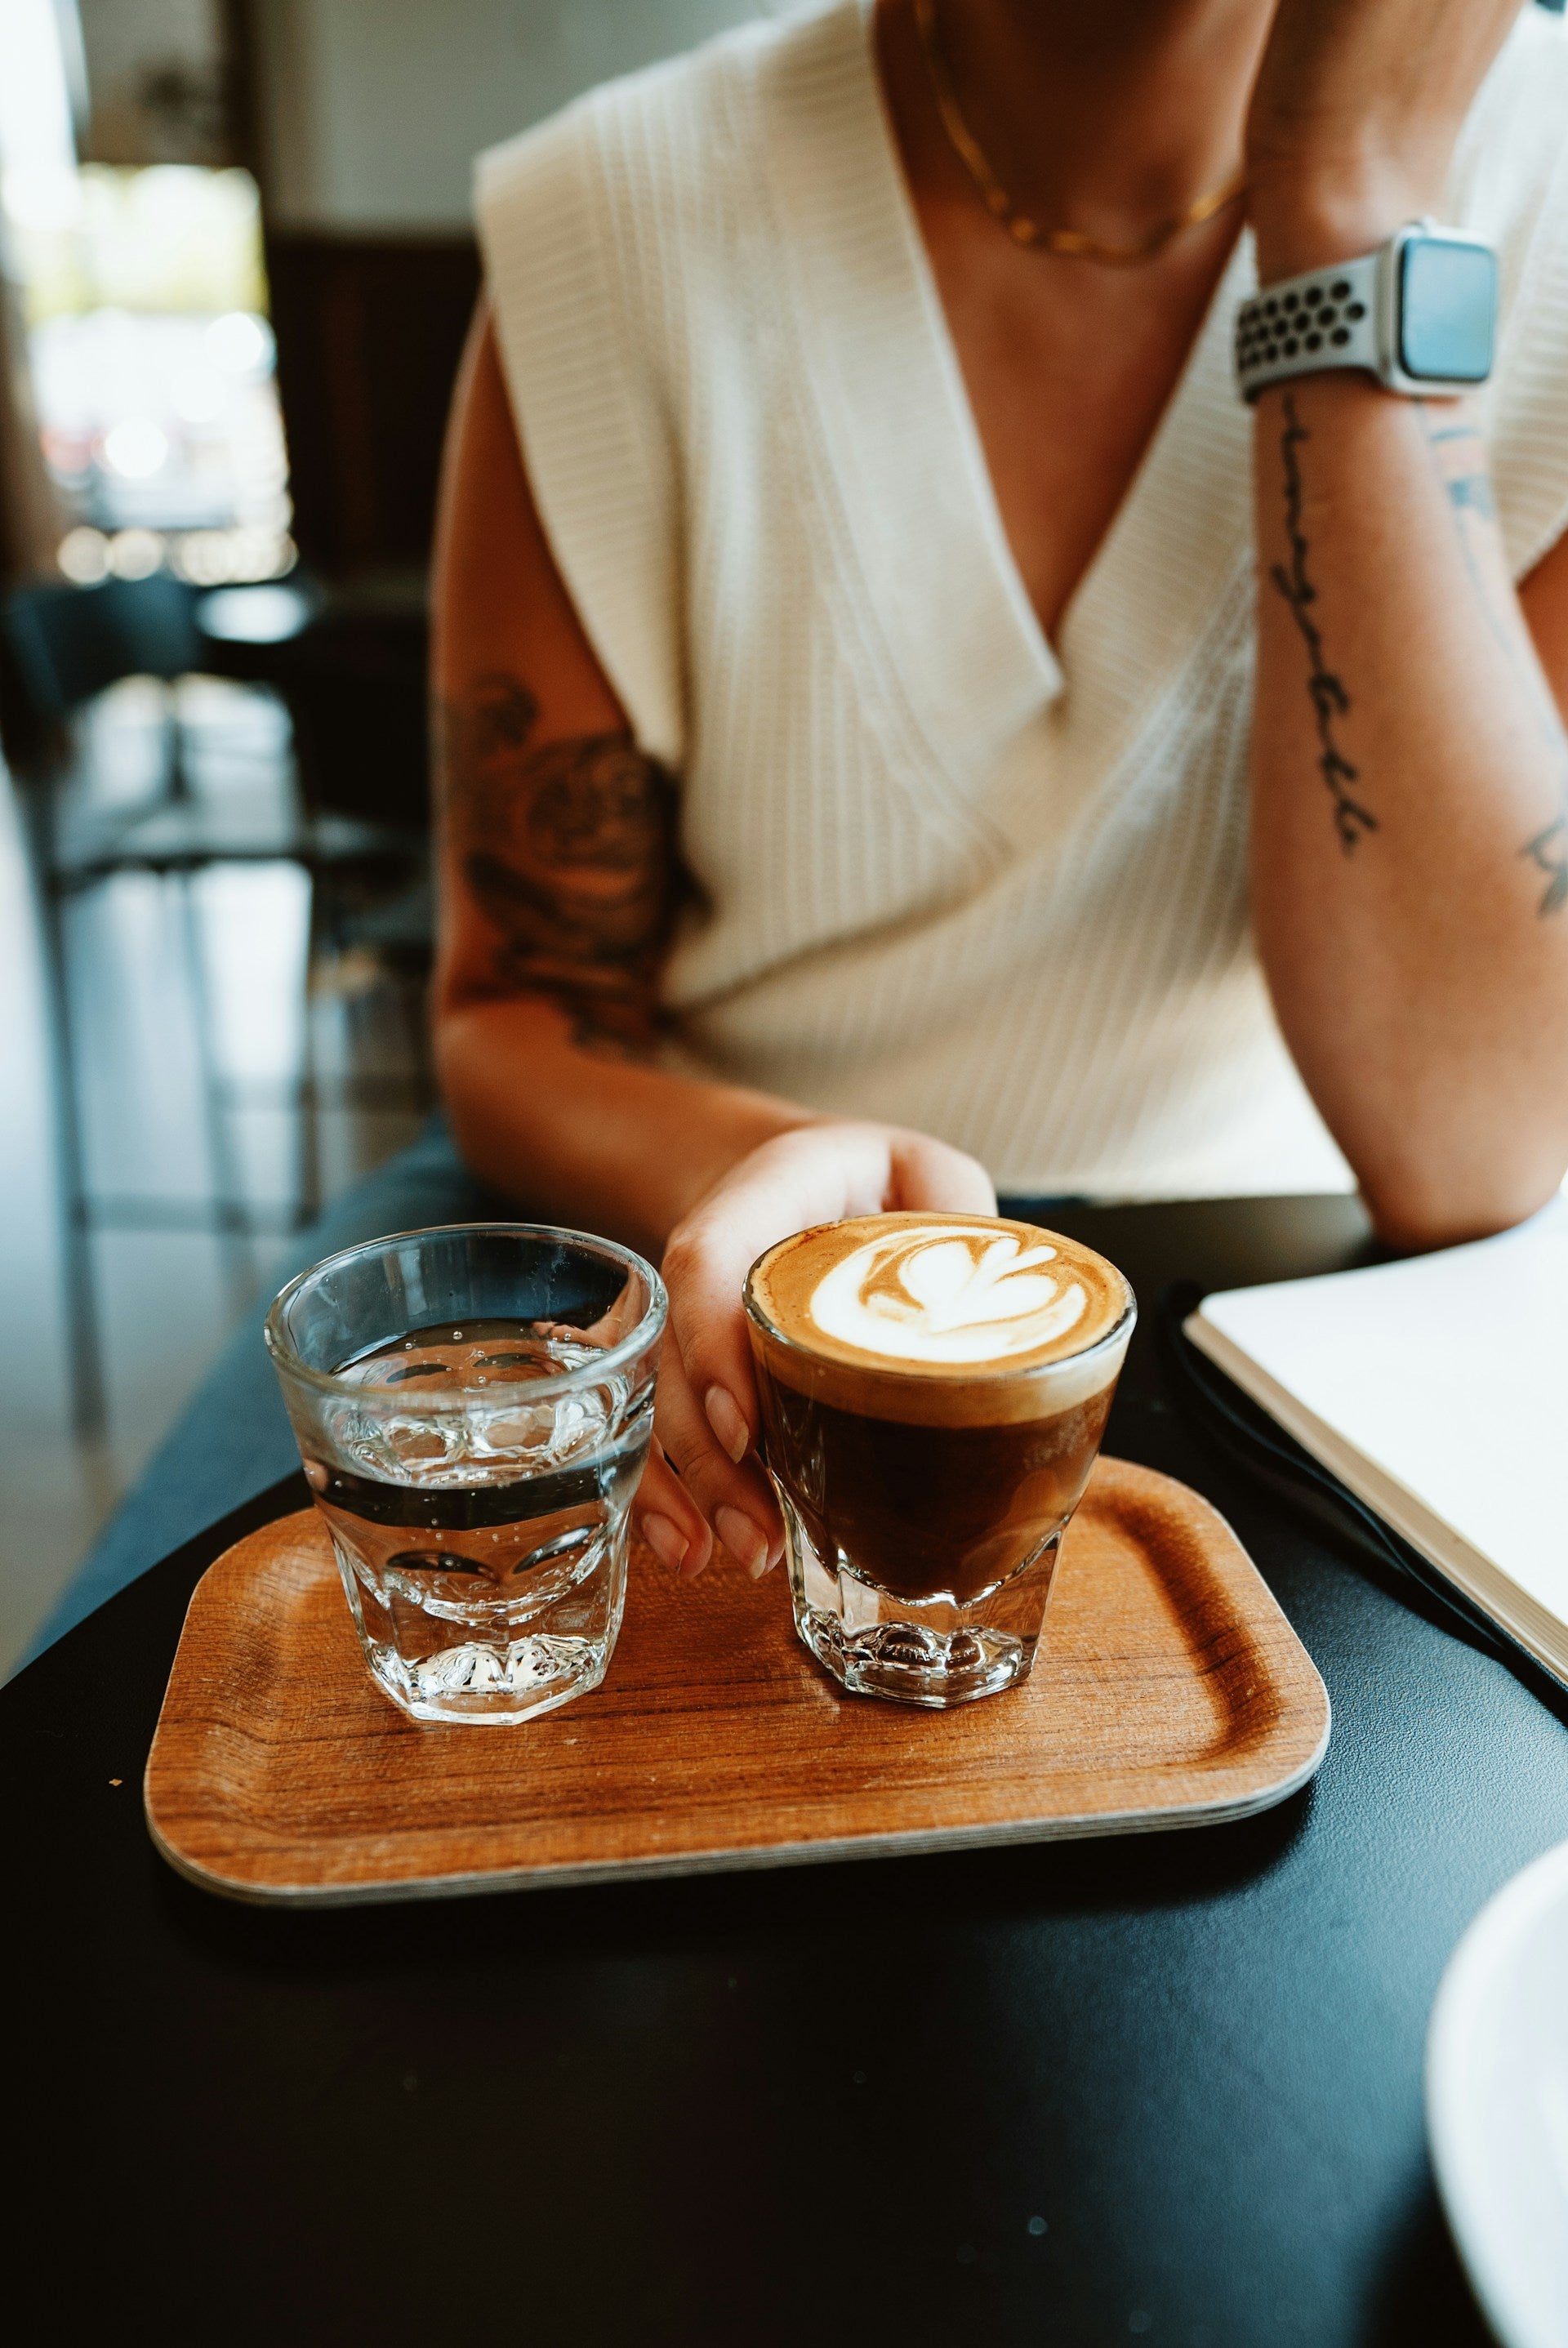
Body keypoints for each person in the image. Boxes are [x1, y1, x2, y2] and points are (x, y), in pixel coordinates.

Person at [36, 0, 1568, 1651]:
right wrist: (752, 1177)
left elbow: (1474, 1143)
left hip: (1315, 1330)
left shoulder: (1539, 199)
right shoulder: (613, 217)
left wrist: (1347, 209)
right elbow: (513, 1011)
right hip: (703, 1277)